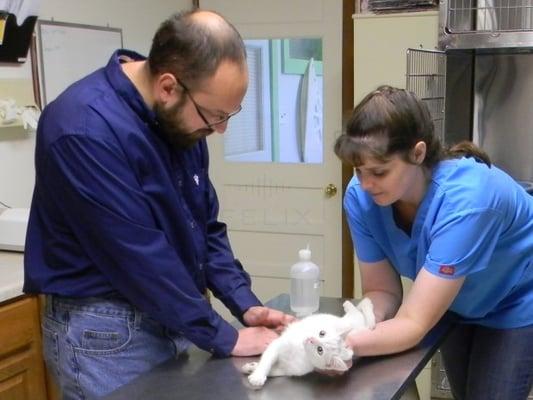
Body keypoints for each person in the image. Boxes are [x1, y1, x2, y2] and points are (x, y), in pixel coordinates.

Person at [23, 10, 293, 399]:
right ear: (168, 87)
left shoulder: (179, 119)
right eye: (215, 115)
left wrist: (244, 304)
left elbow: (204, 226)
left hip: (170, 311)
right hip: (106, 332)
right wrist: (225, 336)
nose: (221, 129)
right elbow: (139, 257)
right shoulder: (83, 130)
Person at [335, 85, 533, 400]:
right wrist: (348, 327)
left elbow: (414, 323)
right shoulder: (360, 199)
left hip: (517, 300)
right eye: (359, 170)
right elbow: (382, 292)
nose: (367, 183)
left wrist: (342, 346)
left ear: (418, 153)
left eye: (379, 171)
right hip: (454, 300)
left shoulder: (468, 201)